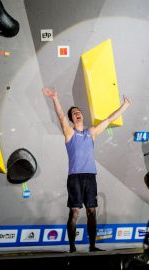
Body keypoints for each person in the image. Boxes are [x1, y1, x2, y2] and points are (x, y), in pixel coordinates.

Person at [42, 87, 131, 252]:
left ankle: (92, 246)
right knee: (74, 212)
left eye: (79, 111)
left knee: (92, 212)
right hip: (75, 177)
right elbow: (61, 116)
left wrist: (125, 106)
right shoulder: (69, 133)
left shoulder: (92, 132)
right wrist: (55, 98)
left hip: (90, 177)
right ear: (72, 118)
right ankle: (72, 248)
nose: (77, 113)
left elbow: (109, 120)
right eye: (74, 113)